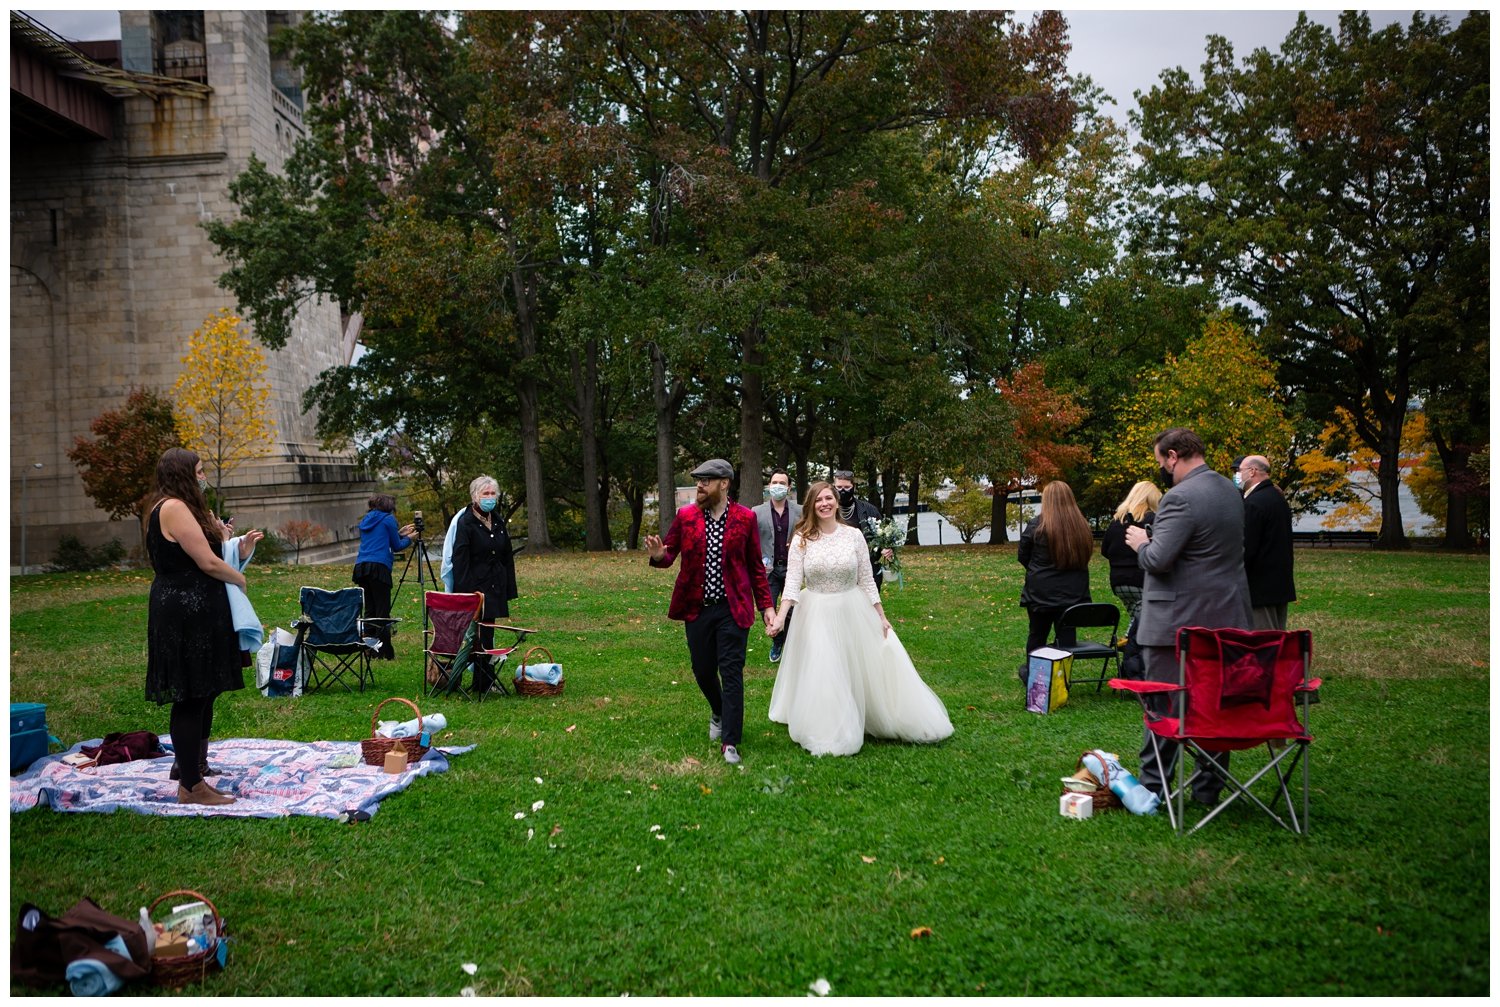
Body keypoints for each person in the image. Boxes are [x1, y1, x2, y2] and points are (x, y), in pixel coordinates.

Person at [766, 482, 952, 756]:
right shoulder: (801, 540)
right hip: (815, 611)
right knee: (826, 666)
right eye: (819, 500)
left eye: (829, 498)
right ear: (811, 506)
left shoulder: (853, 536)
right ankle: (830, 726)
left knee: (855, 665)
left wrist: (881, 615)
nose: (825, 503)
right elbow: (793, 583)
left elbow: (866, 579)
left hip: (852, 607)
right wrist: (781, 618)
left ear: (836, 501)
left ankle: (864, 711)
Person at [1125, 427, 1252, 804]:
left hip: (1175, 624)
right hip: (1226, 616)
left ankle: (1153, 787)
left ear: (1174, 456)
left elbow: (1159, 560)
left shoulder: (1180, 498)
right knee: (1213, 705)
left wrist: (1142, 544)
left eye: (1161, 461)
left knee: (1163, 704)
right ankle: (1207, 788)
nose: (1161, 468)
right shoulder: (1231, 492)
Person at [144, 448, 258, 807]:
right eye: (200, 470)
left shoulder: (183, 508)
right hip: (185, 610)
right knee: (192, 694)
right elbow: (206, 562)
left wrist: (229, 541)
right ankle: (191, 786)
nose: (204, 475)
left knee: (203, 690)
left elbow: (208, 551)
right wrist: (238, 578)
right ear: (183, 474)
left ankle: (191, 769)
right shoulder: (173, 507)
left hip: (197, 607)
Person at [646, 458, 775, 765]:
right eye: (698, 480)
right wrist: (659, 555)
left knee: (731, 671)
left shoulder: (745, 519)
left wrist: (766, 606)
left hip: (734, 608)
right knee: (703, 670)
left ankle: (730, 741)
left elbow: (756, 566)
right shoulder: (686, 516)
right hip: (698, 609)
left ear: (724, 484)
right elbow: (669, 554)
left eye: (705, 480)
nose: (700, 485)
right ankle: (717, 710)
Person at [1015, 481, 1094, 683]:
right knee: (1066, 638)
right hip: (1074, 595)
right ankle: (1060, 675)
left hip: (1041, 594)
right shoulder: (1082, 527)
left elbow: (1023, 554)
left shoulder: (1037, 525)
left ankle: (1034, 675)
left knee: (1037, 634)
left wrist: (1039, 572)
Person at [451, 475, 518, 693]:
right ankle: (477, 681)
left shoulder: (497, 521)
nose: (489, 498)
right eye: (485, 494)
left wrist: (508, 587)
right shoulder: (465, 522)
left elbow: (506, 554)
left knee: (488, 634)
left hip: (495, 585)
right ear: (475, 496)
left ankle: (484, 682)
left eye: (492, 494)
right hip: (474, 588)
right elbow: (460, 560)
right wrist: (466, 594)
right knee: (476, 636)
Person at [353, 494, 417, 659]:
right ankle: (384, 651)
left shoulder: (366, 520)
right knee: (382, 612)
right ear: (390, 507)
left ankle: (369, 648)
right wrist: (409, 539)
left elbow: (379, 539)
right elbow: (396, 546)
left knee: (370, 610)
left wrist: (399, 532)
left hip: (361, 567)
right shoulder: (388, 519)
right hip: (379, 568)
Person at [1238, 455, 1296, 629]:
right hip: (1279, 582)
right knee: (1277, 636)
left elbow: (1247, 547)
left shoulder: (1254, 502)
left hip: (1260, 586)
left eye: (1240, 471)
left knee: (1263, 640)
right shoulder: (1277, 498)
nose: (1238, 476)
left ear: (1252, 471)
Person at [752, 469, 802, 663]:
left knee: (790, 609)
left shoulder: (800, 510)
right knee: (767, 608)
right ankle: (778, 640)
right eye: (774, 482)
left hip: (792, 568)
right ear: (769, 486)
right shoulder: (757, 512)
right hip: (768, 570)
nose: (778, 486)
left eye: (782, 483)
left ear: (789, 488)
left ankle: (789, 644)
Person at [1100, 481, 1162, 622]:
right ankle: (1133, 641)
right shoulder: (1153, 521)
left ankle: (1131, 640)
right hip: (1142, 580)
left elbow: (1104, 550)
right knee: (1146, 620)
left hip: (1119, 582)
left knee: (1138, 618)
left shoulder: (1117, 521)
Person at [832, 470, 892, 592]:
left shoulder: (869, 509)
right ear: (833, 487)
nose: (843, 491)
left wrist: (886, 549)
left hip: (867, 567)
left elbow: (882, 536)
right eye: (839, 487)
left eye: (847, 487)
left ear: (853, 487)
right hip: (836, 569)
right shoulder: (826, 510)